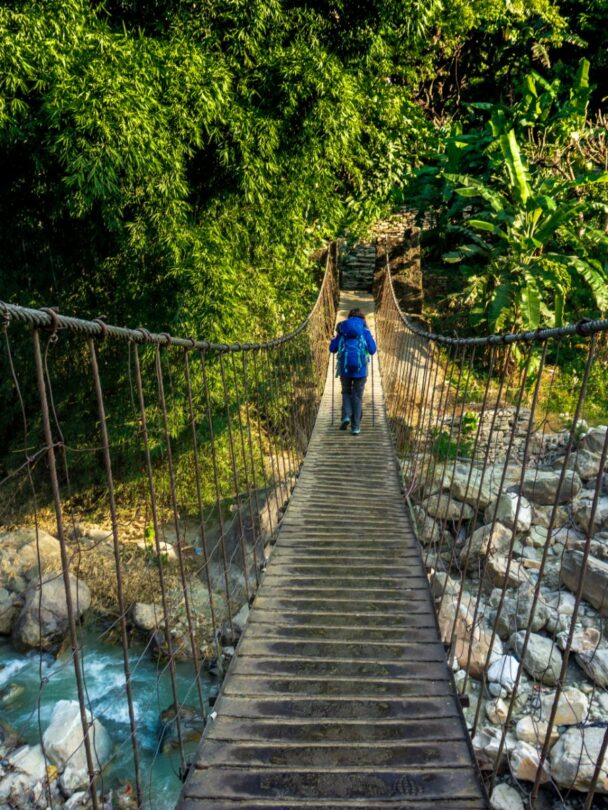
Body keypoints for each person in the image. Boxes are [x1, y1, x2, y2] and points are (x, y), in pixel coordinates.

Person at [329, 308, 377, 435]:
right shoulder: (365, 330)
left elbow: (332, 349)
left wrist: (334, 339)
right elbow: (372, 350)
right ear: (362, 319)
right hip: (360, 371)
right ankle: (355, 426)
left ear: (349, 318)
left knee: (346, 392)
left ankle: (345, 416)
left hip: (345, 369)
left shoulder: (343, 329)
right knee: (357, 396)